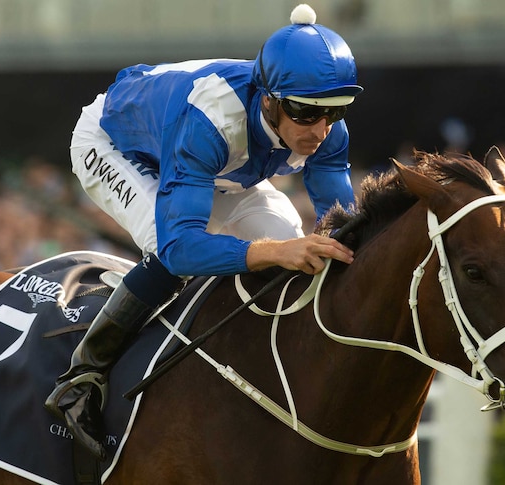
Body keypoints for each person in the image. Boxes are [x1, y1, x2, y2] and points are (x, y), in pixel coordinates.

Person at [45, 4, 360, 460]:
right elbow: (181, 248)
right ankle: (83, 376)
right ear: (268, 99)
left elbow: (339, 224)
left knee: (288, 233)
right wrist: (273, 252)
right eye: (306, 113)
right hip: (117, 144)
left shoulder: (325, 126)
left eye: (334, 111)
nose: (320, 129)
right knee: (170, 247)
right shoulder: (212, 120)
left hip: (212, 167)